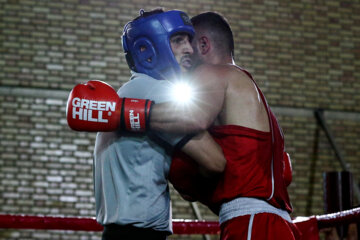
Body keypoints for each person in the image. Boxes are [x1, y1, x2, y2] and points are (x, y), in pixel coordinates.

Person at [148, 12, 301, 239]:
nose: (186, 52)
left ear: (203, 44)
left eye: (189, 42)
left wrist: (125, 113)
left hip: (251, 223)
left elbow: (193, 118)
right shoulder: (251, 91)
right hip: (276, 223)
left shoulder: (212, 73)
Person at [80, 9, 226, 240]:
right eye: (178, 40)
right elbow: (216, 161)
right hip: (138, 235)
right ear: (146, 49)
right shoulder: (155, 92)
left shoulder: (132, 91)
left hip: (122, 232)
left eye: (189, 40)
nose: (190, 48)